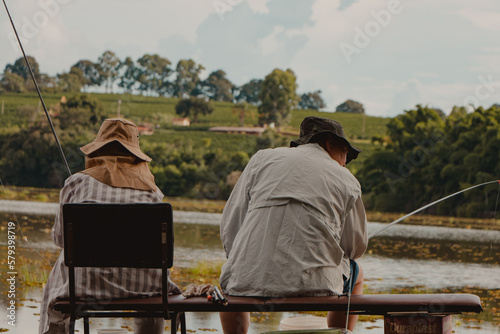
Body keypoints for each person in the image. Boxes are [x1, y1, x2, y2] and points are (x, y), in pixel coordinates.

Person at [219, 116, 368, 334]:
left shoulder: (261, 159)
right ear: (328, 142)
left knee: (230, 280)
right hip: (319, 284)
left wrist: (243, 262)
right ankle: (339, 332)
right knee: (358, 273)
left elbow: (231, 224)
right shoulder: (347, 180)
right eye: (345, 153)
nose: (345, 162)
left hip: (247, 280)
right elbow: (355, 249)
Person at [39, 118, 181, 334]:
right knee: (151, 295)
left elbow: (60, 240)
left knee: (61, 269)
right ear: (136, 155)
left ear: (96, 151)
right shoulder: (153, 193)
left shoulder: (76, 182)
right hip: (145, 288)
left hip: (84, 285)